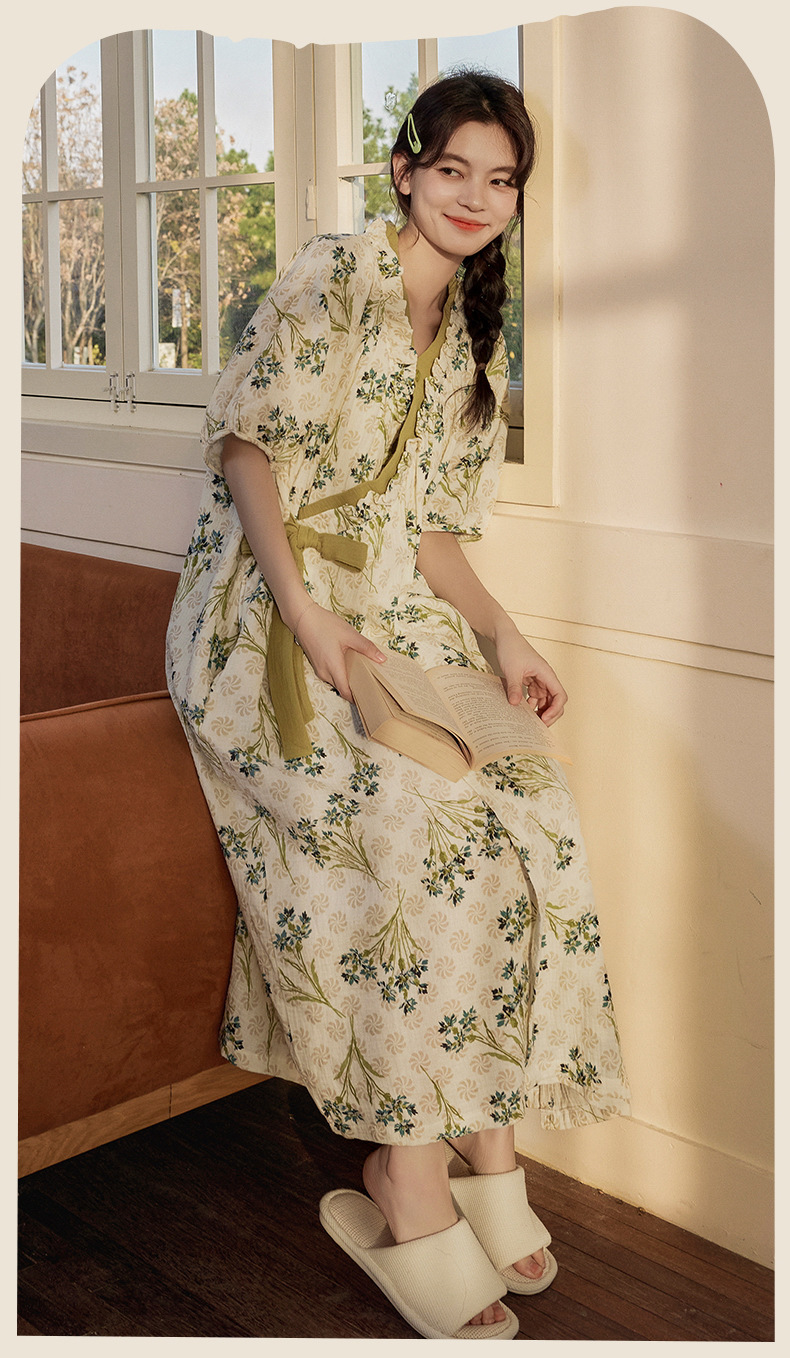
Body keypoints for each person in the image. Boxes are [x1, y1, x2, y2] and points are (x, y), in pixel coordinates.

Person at [166, 70, 629, 1341]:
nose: (477, 197)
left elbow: (426, 530)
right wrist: (308, 618)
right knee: (413, 836)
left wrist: (502, 630)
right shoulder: (337, 273)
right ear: (404, 172)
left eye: (502, 180)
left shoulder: (475, 330)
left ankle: (488, 1150)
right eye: (454, 170)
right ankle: (406, 1179)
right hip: (261, 616)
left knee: (532, 815)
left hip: (387, 610)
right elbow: (247, 451)